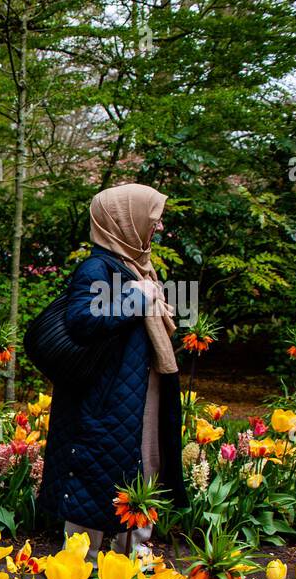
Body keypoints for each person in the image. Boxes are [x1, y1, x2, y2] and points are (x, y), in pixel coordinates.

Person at [37, 183, 188, 553]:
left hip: (141, 391)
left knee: (143, 466)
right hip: (105, 397)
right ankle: (78, 569)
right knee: (93, 469)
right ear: (124, 221)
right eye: (152, 219)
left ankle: (133, 559)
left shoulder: (137, 267)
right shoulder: (96, 268)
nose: (158, 227)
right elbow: (82, 321)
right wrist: (138, 297)